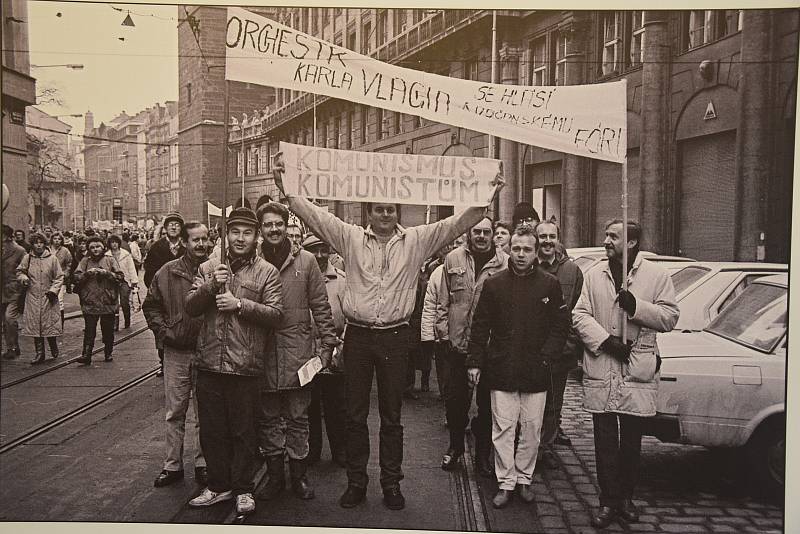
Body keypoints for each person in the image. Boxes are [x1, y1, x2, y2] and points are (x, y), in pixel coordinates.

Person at [272, 155, 504, 511]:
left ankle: (392, 484)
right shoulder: (349, 238)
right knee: (354, 415)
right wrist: (288, 188)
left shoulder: (417, 240)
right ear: (368, 214)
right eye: (378, 210)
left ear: (398, 212)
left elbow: (459, 223)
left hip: (396, 339)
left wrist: (488, 192)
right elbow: (315, 217)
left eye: (390, 210)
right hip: (359, 338)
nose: (385, 215)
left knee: (392, 417)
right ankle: (356, 483)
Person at [572, 219, 679, 528]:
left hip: (636, 370)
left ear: (631, 243)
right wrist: (605, 341)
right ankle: (607, 501)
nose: (606, 240)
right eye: (607, 235)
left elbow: (670, 317)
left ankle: (626, 498)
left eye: (613, 236)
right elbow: (579, 315)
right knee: (604, 441)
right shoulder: (595, 275)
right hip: (604, 366)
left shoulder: (656, 276)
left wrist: (637, 307)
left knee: (631, 441)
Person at [185, 207, 283, 516]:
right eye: (235, 232)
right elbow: (190, 307)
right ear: (226, 235)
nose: (240, 238)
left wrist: (240, 304)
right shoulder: (209, 268)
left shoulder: (267, 272)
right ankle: (218, 484)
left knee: (244, 432)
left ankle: (243, 488)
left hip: (244, 365)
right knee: (212, 431)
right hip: (210, 362)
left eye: (247, 233)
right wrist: (212, 285)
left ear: (256, 237)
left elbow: (276, 315)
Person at [466, 225, 569, 509]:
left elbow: (561, 327)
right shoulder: (494, 283)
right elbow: (480, 326)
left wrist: (547, 356)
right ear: (508, 249)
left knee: (533, 429)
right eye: (516, 248)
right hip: (502, 368)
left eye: (527, 249)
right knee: (503, 428)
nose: (521, 254)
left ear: (536, 253)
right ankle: (506, 482)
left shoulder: (549, 284)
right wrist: (475, 361)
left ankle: (524, 478)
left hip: (536, 370)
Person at [255, 202, 337, 502]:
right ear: (260, 230)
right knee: (268, 420)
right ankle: (275, 477)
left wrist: (328, 344)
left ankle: (299, 477)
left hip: (297, 353)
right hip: (262, 354)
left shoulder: (306, 261)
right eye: (267, 225)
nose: (274, 229)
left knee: (298, 419)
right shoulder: (252, 261)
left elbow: (321, 305)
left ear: (287, 225)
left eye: (278, 224)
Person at [437, 217, 508, 476]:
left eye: (486, 232)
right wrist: (444, 335)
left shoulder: (504, 264)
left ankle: (482, 455)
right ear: (469, 233)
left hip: (490, 349)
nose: (481, 236)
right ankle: (455, 447)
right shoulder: (453, 259)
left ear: (493, 235)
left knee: (488, 407)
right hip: (457, 347)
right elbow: (442, 302)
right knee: (455, 404)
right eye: (476, 231)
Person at [143, 221, 210, 489]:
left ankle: (204, 463)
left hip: (207, 351)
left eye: (205, 239)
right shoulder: (167, 272)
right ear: (184, 242)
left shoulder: (214, 270)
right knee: (175, 411)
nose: (202, 245)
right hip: (177, 351)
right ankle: (173, 465)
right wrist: (164, 332)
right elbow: (151, 306)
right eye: (196, 240)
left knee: (205, 412)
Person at [534, 220, 584, 469]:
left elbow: (577, 309)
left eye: (551, 236)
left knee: (553, 404)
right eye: (542, 236)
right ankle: (528, 448)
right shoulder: (527, 265)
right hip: (532, 350)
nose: (547, 241)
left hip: (560, 352)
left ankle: (544, 448)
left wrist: (569, 342)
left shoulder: (571, 271)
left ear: (558, 239)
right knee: (532, 402)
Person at [303, 234, 347, 468]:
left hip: (333, 350)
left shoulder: (341, 281)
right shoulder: (300, 278)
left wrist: (340, 347)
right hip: (307, 351)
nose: (319, 255)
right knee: (309, 404)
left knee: (335, 405)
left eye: (323, 249)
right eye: (313, 250)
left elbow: (349, 317)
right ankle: (313, 450)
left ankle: (339, 449)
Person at [144, 213, 186, 375]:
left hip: (184, 295)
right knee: (163, 329)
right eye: (170, 224)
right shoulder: (157, 247)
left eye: (177, 224)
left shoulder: (186, 247)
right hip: (163, 296)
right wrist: (156, 290)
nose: (174, 227)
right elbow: (149, 272)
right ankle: (164, 363)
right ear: (165, 228)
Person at [73, 236, 124, 364]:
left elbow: (120, 277)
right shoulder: (85, 261)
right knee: (89, 330)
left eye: (98, 247)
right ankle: (86, 355)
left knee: (107, 330)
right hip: (90, 300)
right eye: (92, 247)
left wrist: (107, 273)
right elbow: (76, 277)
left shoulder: (110, 260)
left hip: (107, 300)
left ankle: (108, 352)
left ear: (103, 248)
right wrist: (87, 274)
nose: (95, 250)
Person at [16, 233, 64, 364]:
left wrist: (53, 291)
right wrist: (23, 278)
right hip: (32, 295)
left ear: (44, 244)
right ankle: (39, 353)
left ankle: (53, 345)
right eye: (36, 243)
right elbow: (20, 271)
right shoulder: (28, 258)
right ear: (32, 244)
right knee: (35, 324)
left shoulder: (52, 259)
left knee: (49, 323)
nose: (38, 245)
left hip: (48, 296)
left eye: (41, 242)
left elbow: (59, 277)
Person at [2, 225, 27, 360]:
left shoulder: (19, 250)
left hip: (13, 290)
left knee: (9, 318)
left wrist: (21, 281)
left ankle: (12, 348)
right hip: (1, 289)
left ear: (6, 236)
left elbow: (25, 269)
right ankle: (12, 346)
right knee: (4, 322)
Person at [107, 235, 137, 330]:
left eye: (116, 242)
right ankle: (115, 324)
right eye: (112, 242)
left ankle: (127, 320)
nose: (114, 244)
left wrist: (134, 281)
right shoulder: (107, 255)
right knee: (113, 302)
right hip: (112, 281)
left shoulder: (126, 254)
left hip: (125, 280)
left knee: (124, 301)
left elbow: (131, 268)